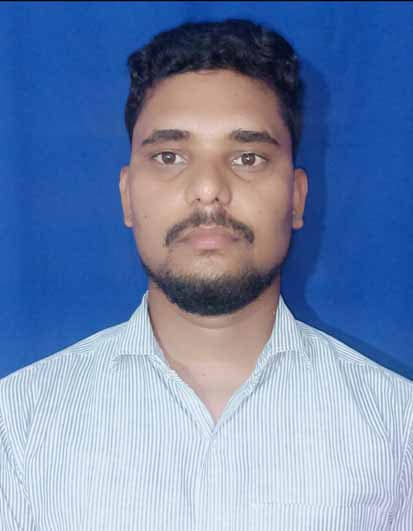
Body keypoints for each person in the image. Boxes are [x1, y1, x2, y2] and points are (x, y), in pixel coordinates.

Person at [1, 18, 412, 531]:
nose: (208, 189)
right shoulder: (19, 426)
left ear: (296, 197)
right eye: (170, 156)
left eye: (247, 158)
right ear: (127, 195)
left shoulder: (397, 429)